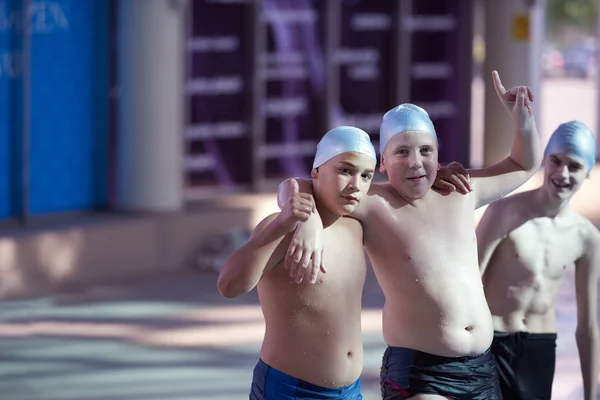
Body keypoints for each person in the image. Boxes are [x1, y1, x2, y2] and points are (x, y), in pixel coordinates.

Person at [276, 70, 541, 399]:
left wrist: (523, 119)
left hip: (482, 368)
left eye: (426, 151)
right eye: (402, 152)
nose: (416, 162)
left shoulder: (460, 191)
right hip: (421, 372)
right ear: (382, 162)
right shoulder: (373, 202)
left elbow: (523, 165)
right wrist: (309, 221)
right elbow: (298, 185)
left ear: (438, 156)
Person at [217, 126, 377, 399]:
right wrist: (281, 224)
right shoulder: (284, 227)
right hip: (291, 390)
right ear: (316, 172)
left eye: (366, 176)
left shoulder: (356, 225)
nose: (356, 185)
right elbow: (228, 286)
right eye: (345, 171)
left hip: (351, 392)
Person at [477, 120, 599, 400]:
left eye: (575, 166)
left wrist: (592, 395)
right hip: (490, 341)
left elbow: (588, 327)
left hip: (539, 348)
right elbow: (468, 284)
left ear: (588, 172)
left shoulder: (586, 237)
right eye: (555, 160)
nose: (562, 173)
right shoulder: (503, 212)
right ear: (544, 158)